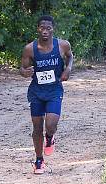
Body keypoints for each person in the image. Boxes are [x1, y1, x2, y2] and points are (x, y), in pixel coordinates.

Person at [20, 15, 73, 175]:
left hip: (54, 90)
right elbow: (22, 69)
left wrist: (68, 69)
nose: (45, 31)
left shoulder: (62, 45)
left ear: (53, 29)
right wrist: (25, 72)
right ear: (37, 29)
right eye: (42, 28)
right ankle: (39, 160)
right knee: (37, 127)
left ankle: (50, 137)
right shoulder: (30, 49)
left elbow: (70, 57)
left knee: (50, 124)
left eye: (48, 28)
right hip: (36, 92)